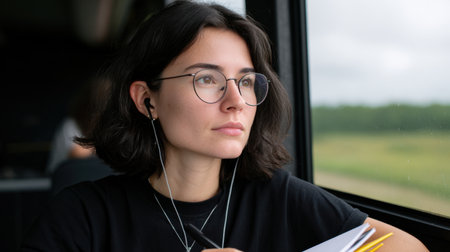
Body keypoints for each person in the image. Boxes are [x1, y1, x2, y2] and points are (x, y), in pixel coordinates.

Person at [21, 1, 429, 251]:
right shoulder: (81, 217)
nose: (236, 101)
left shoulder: (279, 196)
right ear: (147, 100)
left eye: (246, 81)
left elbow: (408, 247)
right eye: (207, 79)